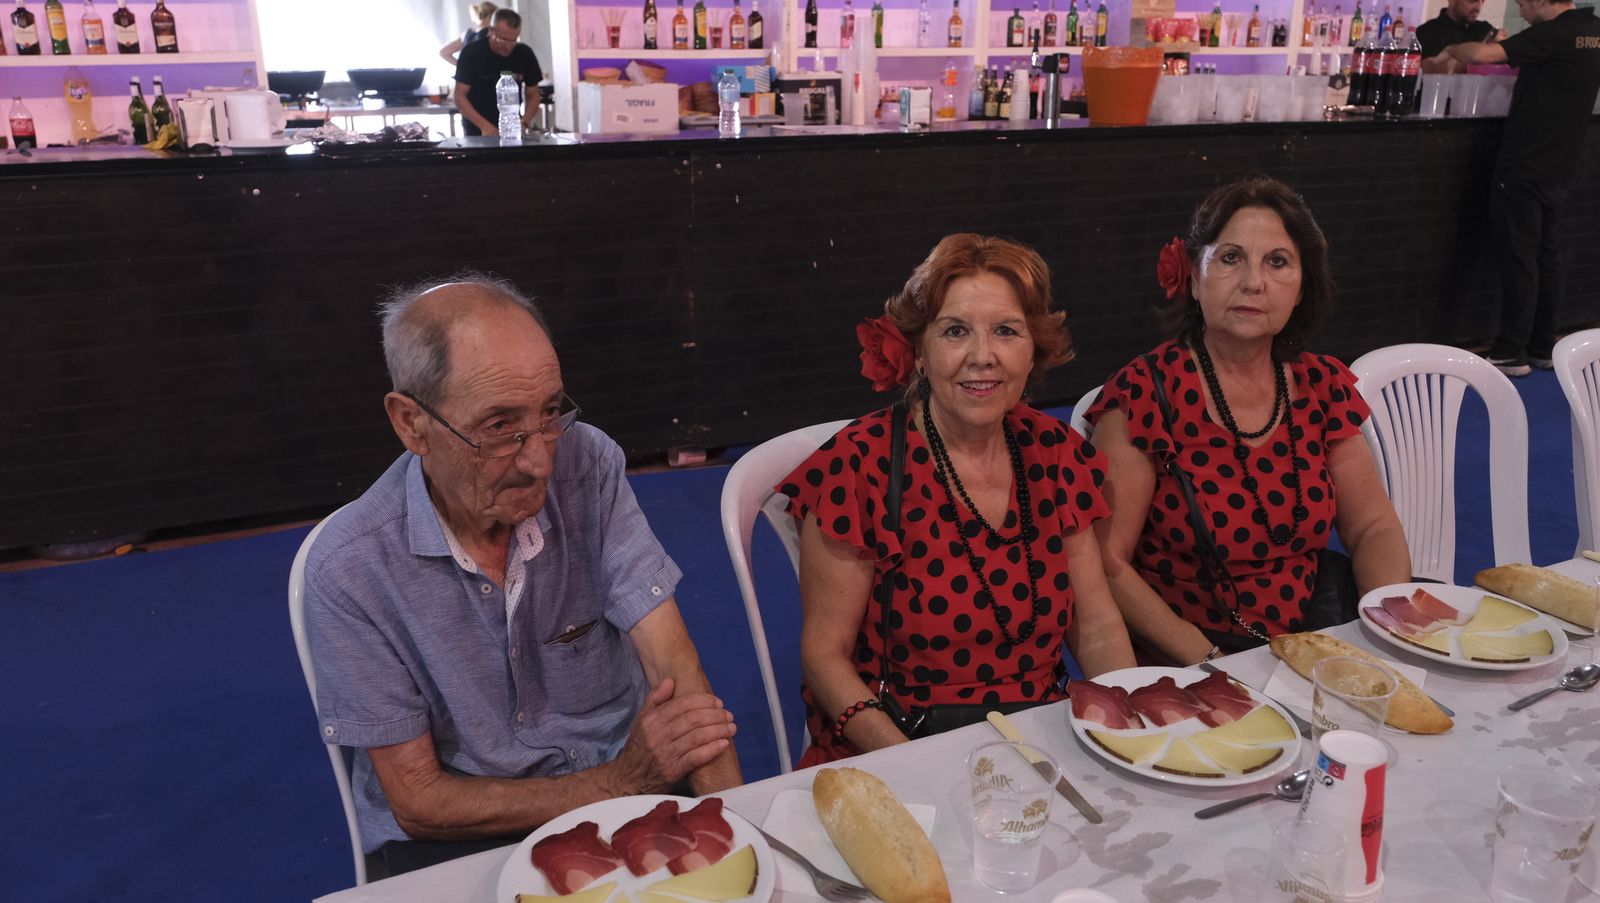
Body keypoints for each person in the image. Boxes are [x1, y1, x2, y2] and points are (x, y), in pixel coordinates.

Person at [303, 275, 740, 877]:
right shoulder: (350, 570)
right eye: (500, 427)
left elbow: (675, 665)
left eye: (551, 412)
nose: (539, 460)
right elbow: (420, 802)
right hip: (470, 832)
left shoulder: (587, 465)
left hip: (634, 789)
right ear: (411, 423)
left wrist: (731, 829)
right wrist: (616, 783)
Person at [777, 234, 1137, 768]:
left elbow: (1099, 627)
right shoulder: (858, 468)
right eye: (955, 332)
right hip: (901, 744)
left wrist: (1130, 735)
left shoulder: (1057, 454)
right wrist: (915, 767)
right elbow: (825, 659)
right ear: (920, 352)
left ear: (1033, 348)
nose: (982, 357)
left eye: (1007, 332)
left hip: (1040, 740)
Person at [1087, 177, 1410, 666]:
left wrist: (1388, 633)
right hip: (1191, 655)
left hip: (1310, 643)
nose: (1253, 282)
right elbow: (1106, 562)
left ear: (1302, 288)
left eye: (1277, 262)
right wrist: (1210, 657)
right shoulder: (1145, 395)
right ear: (1194, 279)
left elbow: (1372, 526)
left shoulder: (1322, 386)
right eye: (1230, 258)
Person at [1437, 0, 1600, 376]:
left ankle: (1512, 350)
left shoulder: (1551, 34)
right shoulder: (1591, 32)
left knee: (1520, 260)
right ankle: (1542, 346)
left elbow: (1481, 53)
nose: (1521, 10)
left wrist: (1449, 49)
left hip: (1525, 165)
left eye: (1524, 3)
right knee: (1547, 258)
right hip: (1560, 164)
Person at [453, 8, 543, 137]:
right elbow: (460, 96)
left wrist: (524, 122)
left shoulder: (524, 53)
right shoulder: (472, 53)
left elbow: (533, 94)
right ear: (491, 30)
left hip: (510, 129)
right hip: (477, 129)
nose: (508, 46)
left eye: (514, 40)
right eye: (504, 40)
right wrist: (485, 127)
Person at [1416, 0, 1500, 71]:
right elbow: (1431, 70)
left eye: (1482, 0)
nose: (1478, 7)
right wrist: (1483, 51)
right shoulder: (1426, 32)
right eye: (1472, 0)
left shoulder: (1485, 29)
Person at [439, 1, 497, 66]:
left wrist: (462, 67)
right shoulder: (493, 33)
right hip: (486, 74)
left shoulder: (466, 34)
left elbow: (443, 52)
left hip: (467, 75)